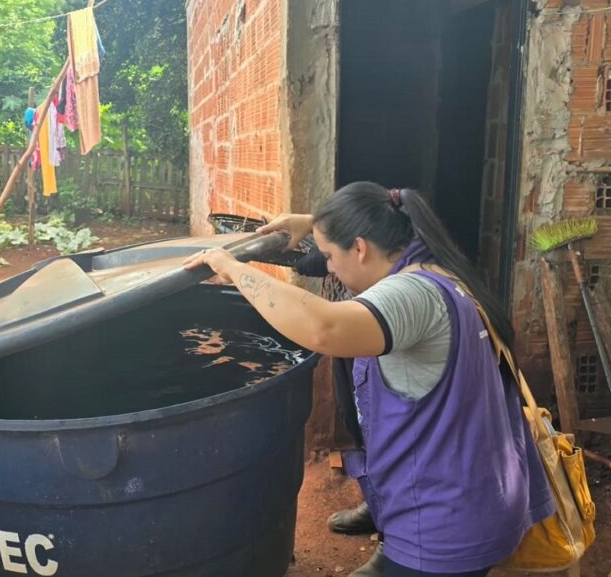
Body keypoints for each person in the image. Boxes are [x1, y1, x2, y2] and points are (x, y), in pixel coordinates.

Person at [183, 182, 554, 577]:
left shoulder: (411, 296)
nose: (328, 267)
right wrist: (315, 223)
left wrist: (235, 269)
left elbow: (324, 327)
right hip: (475, 496)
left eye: (329, 256)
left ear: (360, 248)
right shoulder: (433, 265)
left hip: (445, 527)